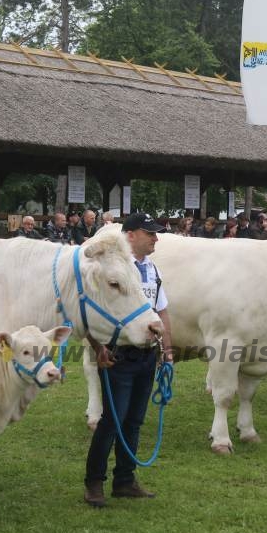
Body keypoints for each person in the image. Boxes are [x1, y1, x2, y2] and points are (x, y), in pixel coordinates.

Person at [84, 212, 172, 507]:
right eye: (150, 233)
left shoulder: (152, 269)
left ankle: (125, 479)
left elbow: (162, 311)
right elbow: (90, 314)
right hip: (117, 354)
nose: (156, 238)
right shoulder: (108, 270)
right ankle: (94, 483)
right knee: (113, 421)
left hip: (147, 354)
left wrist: (167, 351)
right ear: (130, 235)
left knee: (134, 421)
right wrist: (97, 347)